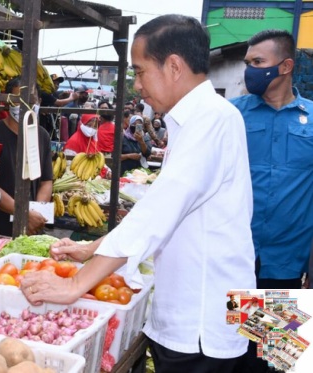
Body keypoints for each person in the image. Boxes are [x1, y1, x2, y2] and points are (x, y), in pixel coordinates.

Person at [20, 14, 256, 372]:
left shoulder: (213, 118)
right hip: (199, 312)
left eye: (141, 71)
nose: (137, 84)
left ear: (174, 66)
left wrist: (76, 285)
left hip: (203, 325)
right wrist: (90, 249)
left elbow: (160, 211)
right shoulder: (193, 120)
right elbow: (167, 211)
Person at [231, 29, 313, 291]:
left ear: (286, 66)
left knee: (270, 332)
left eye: (258, 62)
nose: (250, 70)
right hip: (232, 254)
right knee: (229, 330)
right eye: (248, 63)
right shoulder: (232, 115)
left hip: (286, 261)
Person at [0, 77, 53, 236]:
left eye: (31, 100)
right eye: (18, 100)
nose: (25, 106)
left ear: (39, 101)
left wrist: (34, 215)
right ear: (8, 102)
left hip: (31, 228)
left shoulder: (42, 135)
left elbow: (46, 182)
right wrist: (23, 214)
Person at [39, 74, 79, 140]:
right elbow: (59, 103)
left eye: (58, 84)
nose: (57, 86)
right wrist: (71, 98)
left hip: (50, 123)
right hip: (42, 122)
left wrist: (63, 97)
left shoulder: (53, 94)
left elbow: (57, 105)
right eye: (54, 83)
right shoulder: (44, 93)